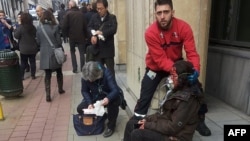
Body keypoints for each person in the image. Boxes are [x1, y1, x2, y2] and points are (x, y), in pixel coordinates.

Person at [132, 0, 211, 136]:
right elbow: (160, 60)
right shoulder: (150, 33)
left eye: (166, 12)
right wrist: (176, 72)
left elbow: (191, 52)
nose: (162, 16)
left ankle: (200, 120)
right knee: (145, 94)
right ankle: (137, 121)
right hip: (155, 67)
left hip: (176, 63)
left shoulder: (184, 28)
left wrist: (195, 70)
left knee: (196, 89)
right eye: (159, 13)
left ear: (172, 13)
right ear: (155, 14)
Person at [124, 60, 204, 141]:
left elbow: (173, 127)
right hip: (166, 130)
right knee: (131, 124)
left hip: (175, 137)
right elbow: (163, 114)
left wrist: (148, 125)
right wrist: (147, 119)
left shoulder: (188, 100)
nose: (171, 79)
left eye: (174, 76)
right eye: (171, 76)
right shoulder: (177, 91)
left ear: (182, 78)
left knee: (137, 134)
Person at [76, 61, 121, 137]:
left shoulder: (106, 73)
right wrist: (90, 103)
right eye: (88, 80)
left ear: (97, 75)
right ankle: (103, 116)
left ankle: (111, 126)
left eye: (91, 79)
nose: (89, 81)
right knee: (80, 108)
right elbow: (84, 91)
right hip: (95, 96)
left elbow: (115, 90)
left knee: (114, 102)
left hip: (108, 95)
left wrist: (108, 98)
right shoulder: (85, 75)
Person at [36, 10, 65, 102]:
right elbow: (59, 42)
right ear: (51, 17)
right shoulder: (55, 27)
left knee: (47, 75)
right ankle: (60, 89)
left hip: (44, 53)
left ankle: (48, 95)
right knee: (59, 72)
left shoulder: (39, 28)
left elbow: (38, 42)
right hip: (54, 52)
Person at [87, 0, 117, 77]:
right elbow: (89, 27)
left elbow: (113, 29)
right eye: (97, 9)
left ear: (106, 8)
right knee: (99, 72)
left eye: (101, 8)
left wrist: (102, 32)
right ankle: (101, 88)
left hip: (108, 50)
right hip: (97, 50)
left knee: (110, 72)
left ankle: (112, 87)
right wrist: (93, 35)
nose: (99, 11)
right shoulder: (94, 17)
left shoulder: (112, 17)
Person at [62, 0, 87, 73]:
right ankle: (82, 68)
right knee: (82, 53)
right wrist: (86, 36)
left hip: (72, 36)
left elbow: (64, 26)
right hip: (81, 36)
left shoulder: (68, 14)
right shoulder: (81, 14)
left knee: (72, 52)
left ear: (70, 6)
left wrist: (66, 35)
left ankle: (75, 68)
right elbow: (85, 26)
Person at [14, 12, 39, 80]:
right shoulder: (33, 27)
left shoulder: (21, 27)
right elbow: (36, 35)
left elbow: (16, 36)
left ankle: (22, 76)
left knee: (23, 63)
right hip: (33, 48)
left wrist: (17, 28)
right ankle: (33, 75)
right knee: (32, 62)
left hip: (24, 49)